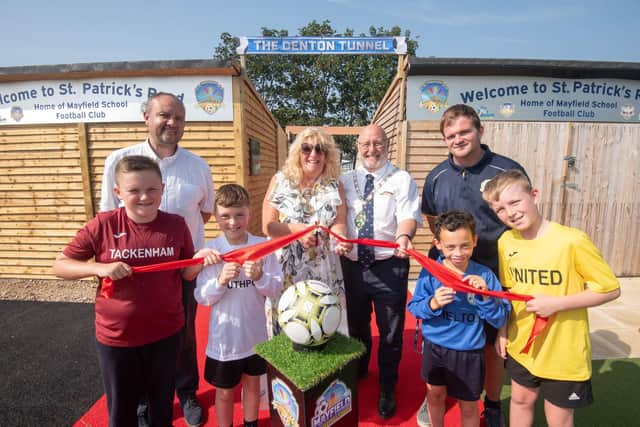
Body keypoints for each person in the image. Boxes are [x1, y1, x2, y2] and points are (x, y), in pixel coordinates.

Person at [53, 156, 208, 427]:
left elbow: (185, 273)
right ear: (118, 193)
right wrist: (100, 269)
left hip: (166, 334)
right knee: (123, 413)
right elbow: (60, 265)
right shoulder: (103, 225)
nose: (144, 197)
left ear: (162, 188)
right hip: (118, 338)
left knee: (161, 409)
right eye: (134, 190)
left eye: (151, 190)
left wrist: (201, 260)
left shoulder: (176, 224)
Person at [100, 92, 214, 427]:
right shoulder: (119, 161)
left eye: (179, 117)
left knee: (183, 336)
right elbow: (108, 216)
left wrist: (173, 245)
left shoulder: (198, 165)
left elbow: (203, 213)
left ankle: (187, 392)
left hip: (182, 268)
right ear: (146, 117)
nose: (172, 123)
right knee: (138, 340)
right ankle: (142, 405)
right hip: (136, 272)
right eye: (164, 115)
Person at [482, 169, 621, 427]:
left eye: (514, 202)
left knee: (558, 416)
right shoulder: (506, 241)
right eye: (500, 209)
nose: (510, 213)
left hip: (563, 352)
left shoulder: (571, 241)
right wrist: (502, 330)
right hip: (522, 345)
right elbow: (507, 291)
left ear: (534, 195)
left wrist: (556, 304)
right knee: (520, 401)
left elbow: (610, 289)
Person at [418, 103, 527, 427]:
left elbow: (520, 215)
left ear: (480, 130)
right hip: (450, 267)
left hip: (495, 268)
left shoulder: (505, 171)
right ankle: (434, 394)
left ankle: (491, 405)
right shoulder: (437, 175)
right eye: (451, 135)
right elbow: (433, 218)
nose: (458, 139)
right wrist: (449, 253)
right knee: (443, 330)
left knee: (493, 343)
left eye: (465, 131)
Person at [340, 124, 421, 419]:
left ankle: (388, 386)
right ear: (357, 146)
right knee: (357, 325)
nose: (371, 149)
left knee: (390, 332)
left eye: (378, 143)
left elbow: (408, 215)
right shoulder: (344, 180)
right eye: (365, 144)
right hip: (352, 265)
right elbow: (338, 217)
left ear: (387, 144)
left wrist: (404, 237)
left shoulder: (401, 178)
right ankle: (360, 370)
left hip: (390, 264)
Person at [408, 210, 509, 427]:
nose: (458, 253)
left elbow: (500, 319)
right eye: (450, 247)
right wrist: (433, 303)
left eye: (465, 245)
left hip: (469, 352)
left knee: (469, 405)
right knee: (435, 396)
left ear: (475, 241)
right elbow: (414, 308)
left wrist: (484, 297)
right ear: (437, 244)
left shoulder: (485, 275)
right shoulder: (430, 273)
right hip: (435, 347)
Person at [194, 184, 283, 427]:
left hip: (254, 336)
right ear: (215, 217)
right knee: (223, 392)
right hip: (225, 340)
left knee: (252, 384)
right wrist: (221, 280)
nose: (233, 222)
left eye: (239, 215)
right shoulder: (212, 252)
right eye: (225, 216)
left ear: (249, 213)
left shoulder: (261, 247)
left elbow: (275, 288)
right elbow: (202, 297)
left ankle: (250, 424)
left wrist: (259, 277)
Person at [262, 127, 352, 336]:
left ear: (327, 155)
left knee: (322, 322)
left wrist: (341, 240)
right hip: (286, 267)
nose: (313, 154)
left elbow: (339, 223)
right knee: (287, 322)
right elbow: (268, 226)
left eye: (320, 149)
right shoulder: (280, 181)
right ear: (297, 153)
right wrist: (296, 231)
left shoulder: (334, 184)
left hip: (324, 266)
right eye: (306, 148)